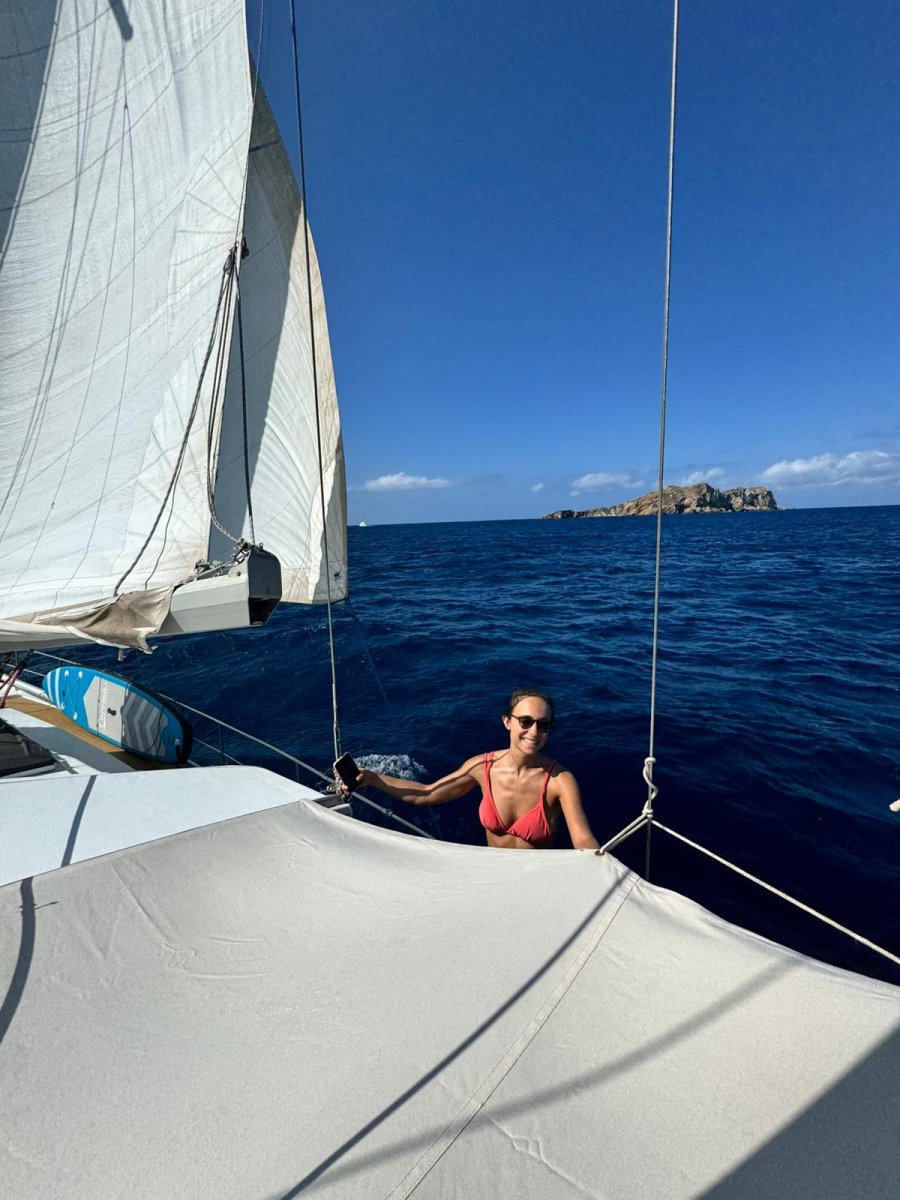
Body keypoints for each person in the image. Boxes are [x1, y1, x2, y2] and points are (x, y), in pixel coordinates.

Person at [344, 688, 601, 851]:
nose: (534, 731)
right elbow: (429, 793)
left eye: (543, 725)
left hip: (534, 885)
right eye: (526, 721)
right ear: (507, 722)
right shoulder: (482, 767)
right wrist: (372, 778)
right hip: (489, 875)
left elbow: (583, 842)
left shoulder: (559, 780)